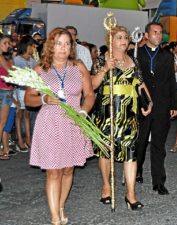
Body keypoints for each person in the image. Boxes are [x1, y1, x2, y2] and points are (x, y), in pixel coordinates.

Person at [25, 27, 95, 225]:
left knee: (67, 169)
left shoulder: (79, 67)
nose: (63, 48)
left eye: (67, 43)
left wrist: (83, 111)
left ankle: (61, 205)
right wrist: (44, 99)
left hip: (74, 122)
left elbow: (89, 95)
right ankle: (55, 216)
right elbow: (29, 99)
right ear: (51, 46)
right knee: (53, 170)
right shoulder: (40, 69)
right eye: (58, 43)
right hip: (50, 122)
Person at [91, 26, 152, 210]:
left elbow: (140, 83)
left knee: (130, 153)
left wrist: (148, 102)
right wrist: (105, 69)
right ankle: (106, 186)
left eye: (125, 37)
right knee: (105, 152)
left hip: (129, 113)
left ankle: (130, 194)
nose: (124, 40)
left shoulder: (132, 60)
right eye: (119, 37)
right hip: (107, 113)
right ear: (110, 39)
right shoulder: (102, 59)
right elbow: (92, 84)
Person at [134, 22, 177, 195]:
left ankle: (158, 181)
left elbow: (171, 82)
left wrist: (173, 105)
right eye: (155, 32)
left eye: (160, 33)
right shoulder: (136, 54)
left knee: (159, 145)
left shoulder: (167, 55)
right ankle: (135, 171)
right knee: (140, 142)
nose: (158, 35)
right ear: (146, 35)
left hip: (162, 105)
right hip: (142, 105)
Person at [13, 35, 37, 151]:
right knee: (19, 116)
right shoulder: (17, 60)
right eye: (32, 46)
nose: (33, 48)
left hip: (29, 91)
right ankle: (20, 140)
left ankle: (28, 139)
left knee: (27, 115)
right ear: (26, 46)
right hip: (20, 90)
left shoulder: (33, 61)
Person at [0, 33, 13, 160]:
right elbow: (10, 72)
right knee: (2, 123)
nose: (8, 45)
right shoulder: (1, 57)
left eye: (8, 43)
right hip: (4, 92)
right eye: (5, 43)